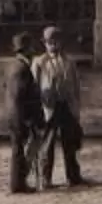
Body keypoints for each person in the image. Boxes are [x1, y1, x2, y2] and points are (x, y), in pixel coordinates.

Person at [33, 23, 85, 188]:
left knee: (69, 142)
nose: (53, 45)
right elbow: (34, 87)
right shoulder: (39, 62)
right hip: (49, 107)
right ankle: (45, 178)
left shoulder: (69, 62)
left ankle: (73, 176)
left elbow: (76, 85)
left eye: (56, 41)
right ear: (44, 43)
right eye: (49, 42)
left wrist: (76, 106)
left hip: (66, 105)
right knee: (47, 143)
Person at [4, 30, 42, 194]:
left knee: (17, 148)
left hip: (12, 112)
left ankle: (17, 182)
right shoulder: (22, 68)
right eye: (31, 49)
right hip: (20, 114)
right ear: (26, 50)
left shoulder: (11, 66)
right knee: (19, 149)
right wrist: (30, 116)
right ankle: (18, 183)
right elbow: (22, 95)